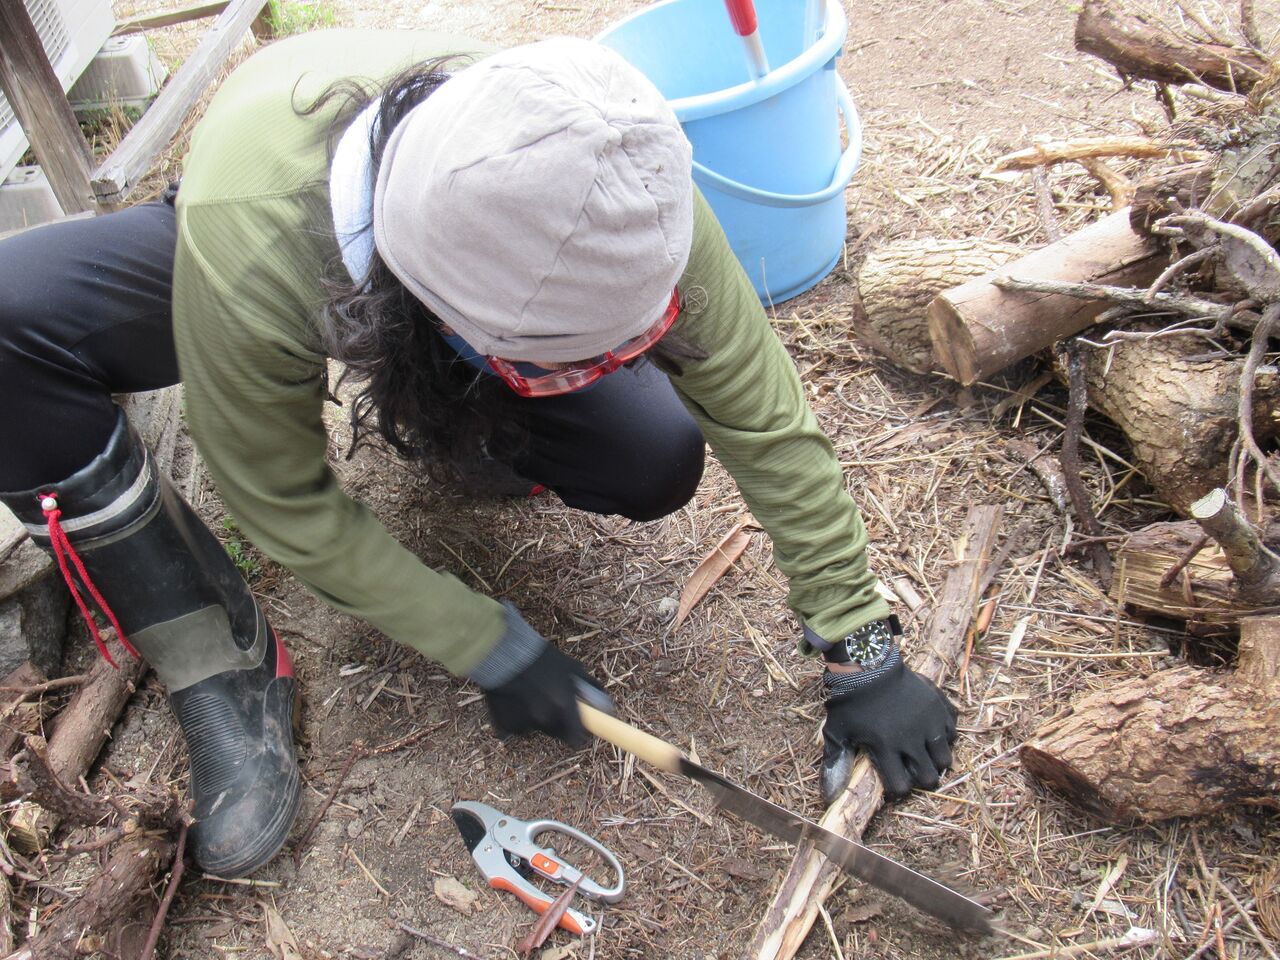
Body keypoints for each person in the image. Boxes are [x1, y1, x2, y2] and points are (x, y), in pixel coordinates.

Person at [0, 29, 956, 878]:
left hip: (457, 280)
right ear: (435, 324)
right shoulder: (252, 240)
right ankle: (217, 645)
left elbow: (760, 410)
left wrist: (861, 643)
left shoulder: (608, 163)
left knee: (651, 453)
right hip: (280, 220)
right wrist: (479, 639)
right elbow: (281, 499)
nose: (614, 368)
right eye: (563, 364)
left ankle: (470, 442)